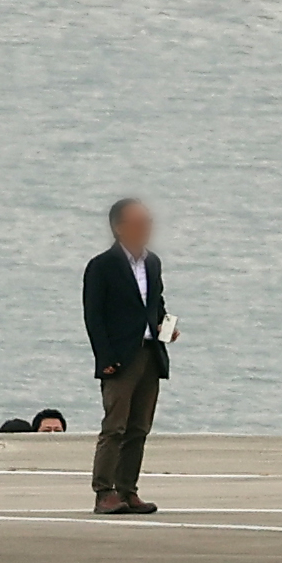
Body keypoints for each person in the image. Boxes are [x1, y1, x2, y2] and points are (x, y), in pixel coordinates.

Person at [83, 199, 174, 515]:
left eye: (148, 222)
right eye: (139, 222)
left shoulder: (152, 263)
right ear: (120, 228)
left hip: (150, 353)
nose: (146, 228)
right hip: (120, 357)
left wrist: (165, 326)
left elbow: (155, 303)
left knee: (139, 428)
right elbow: (94, 317)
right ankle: (104, 492)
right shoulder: (102, 265)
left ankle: (128, 490)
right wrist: (104, 358)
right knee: (115, 427)